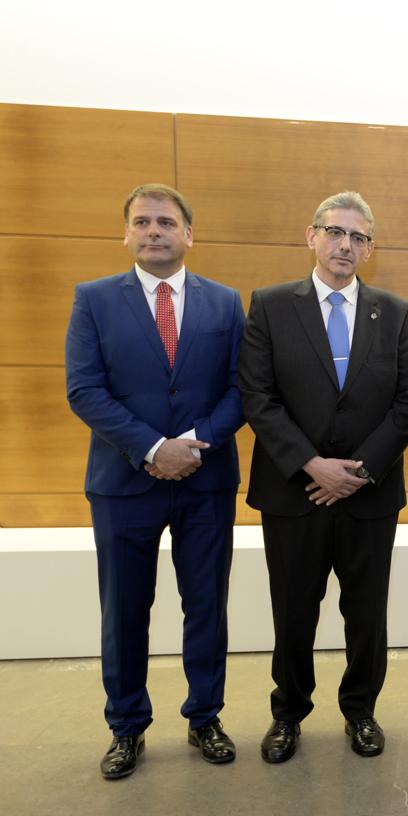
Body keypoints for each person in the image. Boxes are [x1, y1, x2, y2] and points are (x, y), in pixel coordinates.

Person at [65, 183, 245, 779]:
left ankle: (205, 717)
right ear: (126, 233)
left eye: (166, 222)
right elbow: (84, 389)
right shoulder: (93, 300)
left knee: (207, 606)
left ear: (188, 234)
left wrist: (194, 444)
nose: (153, 231)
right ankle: (126, 726)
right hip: (123, 481)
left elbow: (243, 388)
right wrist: (152, 448)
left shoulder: (225, 303)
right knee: (123, 610)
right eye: (141, 222)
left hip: (205, 478)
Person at [239, 191, 408, 763]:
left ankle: (361, 710)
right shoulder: (270, 306)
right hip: (294, 494)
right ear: (311, 236)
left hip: (368, 496)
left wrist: (358, 471)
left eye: (358, 237)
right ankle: (288, 714)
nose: (345, 244)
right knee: (293, 611)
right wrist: (312, 464)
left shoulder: (394, 312)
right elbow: (258, 396)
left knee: (367, 612)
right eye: (335, 232)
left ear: (370, 248)